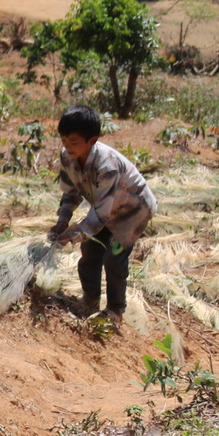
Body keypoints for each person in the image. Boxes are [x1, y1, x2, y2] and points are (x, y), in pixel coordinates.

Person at [47, 105, 158, 318]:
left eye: (74, 142)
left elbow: (100, 215)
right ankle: (90, 299)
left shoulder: (107, 165)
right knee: (89, 251)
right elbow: (71, 193)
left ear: (92, 141)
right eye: (64, 141)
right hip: (105, 207)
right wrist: (62, 221)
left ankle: (116, 310)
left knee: (114, 258)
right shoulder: (67, 158)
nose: (68, 147)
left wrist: (71, 235)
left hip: (133, 211)